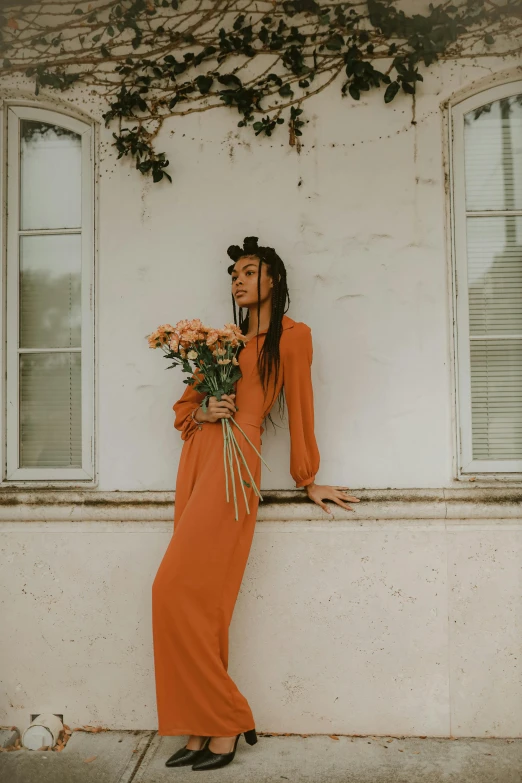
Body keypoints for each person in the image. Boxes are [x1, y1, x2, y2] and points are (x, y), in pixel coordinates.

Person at [151, 236, 360, 771]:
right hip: (198, 461)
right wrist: (203, 411)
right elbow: (184, 407)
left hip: (234, 465)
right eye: (235, 274)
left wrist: (308, 478)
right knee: (196, 604)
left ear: (274, 281)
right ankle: (200, 727)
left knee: (173, 590)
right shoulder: (222, 340)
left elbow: (302, 408)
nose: (238, 281)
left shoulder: (293, 338)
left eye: (250, 271)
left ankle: (227, 718)